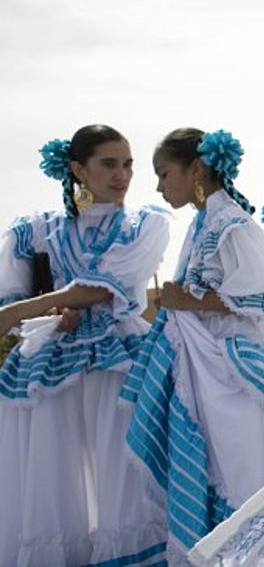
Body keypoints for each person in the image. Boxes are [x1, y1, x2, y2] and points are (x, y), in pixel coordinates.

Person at [122, 128, 264, 559]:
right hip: (207, 366)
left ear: (197, 169)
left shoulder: (232, 224)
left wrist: (183, 299)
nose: (159, 185)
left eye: (164, 173)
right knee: (216, 463)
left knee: (242, 469)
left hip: (232, 369)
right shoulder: (205, 220)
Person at [0, 125, 169, 566]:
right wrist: (46, 317)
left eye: (128, 163)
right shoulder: (36, 230)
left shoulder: (143, 224)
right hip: (50, 364)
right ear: (78, 169)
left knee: (124, 471)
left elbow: (101, 288)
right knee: (50, 477)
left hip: (117, 357)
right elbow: (10, 299)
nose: (123, 175)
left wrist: (24, 312)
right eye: (109, 164)